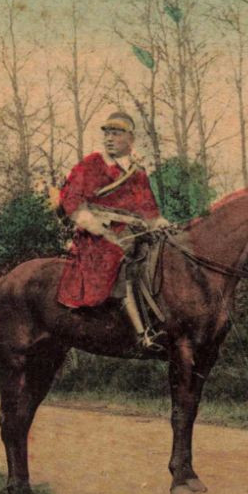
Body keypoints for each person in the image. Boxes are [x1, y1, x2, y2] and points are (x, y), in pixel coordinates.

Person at [56, 111, 170, 351]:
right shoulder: (91, 164)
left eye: (116, 134)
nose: (109, 139)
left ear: (130, 138)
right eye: (107, 133)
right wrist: (91, 223)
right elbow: (71, 199)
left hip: (134, 231)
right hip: (99, 234)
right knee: (121, 259)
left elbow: (149, 210)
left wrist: (159, 223)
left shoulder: (137, 173)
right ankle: (142, 334)